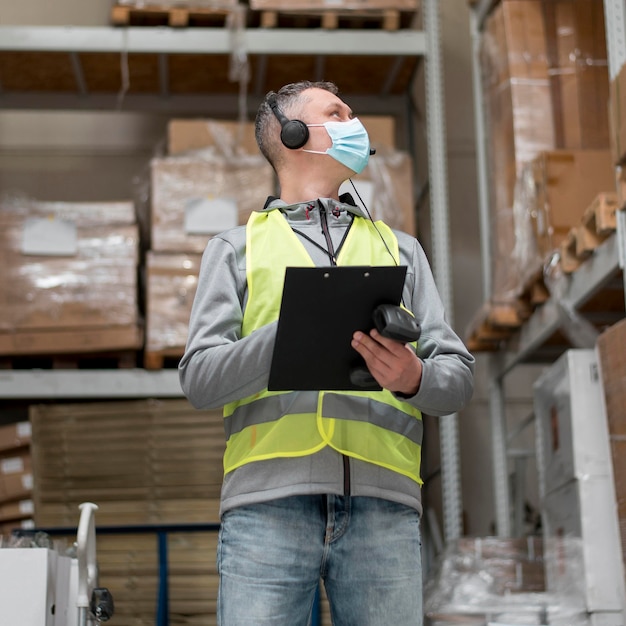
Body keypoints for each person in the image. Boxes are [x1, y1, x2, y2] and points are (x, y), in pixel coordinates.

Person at [178, 80, 475, 626]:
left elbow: (457, 378)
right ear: (291, 135)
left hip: (384, 508)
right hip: (267, 507)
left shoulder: (400, 249)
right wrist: (292, 330)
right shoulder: (235, 249)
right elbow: (199, 379)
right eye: (336, 113)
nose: (352, 122)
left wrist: (413, 377)